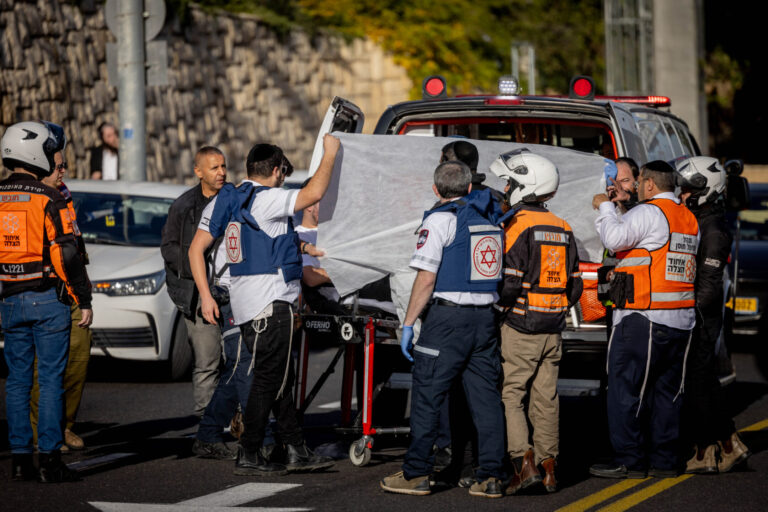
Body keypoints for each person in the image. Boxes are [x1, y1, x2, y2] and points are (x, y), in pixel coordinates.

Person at [188, 135, 340, 476]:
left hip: (246, 303)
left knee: (281, 378)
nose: (284, 177)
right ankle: (251, 450)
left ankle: (295, 447)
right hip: (272, 303)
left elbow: (196, 250)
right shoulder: (268, 197)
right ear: (275, 170)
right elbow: (313, 193)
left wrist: (208, 295)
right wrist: (329, 154)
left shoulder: (227, 198)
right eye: (283, 171)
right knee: (267, 380)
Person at [380, 160, 506, 498]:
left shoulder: (439, 220)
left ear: (436, 190)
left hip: (447, 321)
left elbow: (426, 277)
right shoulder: (491, 221)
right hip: (485, 321)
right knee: (487, 401)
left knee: (427, 396)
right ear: (469, 188)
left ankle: (416, 472)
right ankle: (491, 476)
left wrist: (408, 323)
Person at [589, 160, 700, 479]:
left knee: (626, 389)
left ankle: (630, 459)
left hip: (644, 316)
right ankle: (665, 460)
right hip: (681, 319)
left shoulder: (649, 212)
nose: (635, 186)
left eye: (638, 181)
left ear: (650, 184)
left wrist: (605, 207)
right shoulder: (688, 218)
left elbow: (614, 239)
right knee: (668, 394)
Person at [1, 121, 93, 483]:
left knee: (17, 381)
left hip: (9, 300)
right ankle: (51, 460)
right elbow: (67, 254)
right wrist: (83, 298)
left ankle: (21, 460)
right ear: (36, 153)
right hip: (47, 297)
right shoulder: (48, 198)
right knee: (51, 379)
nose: (58, 160)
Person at [489, 149, 582, 494]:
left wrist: (499, 313)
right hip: (553, 328)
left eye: (510, 182)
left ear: (525, 187)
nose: (506, 187)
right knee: (546, 399)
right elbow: (576, 285)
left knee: (512, 395)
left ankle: (522, 463)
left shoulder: (516, 225)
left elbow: (509, 284)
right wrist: (554, 306)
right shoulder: (563, 226)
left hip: (520, 325)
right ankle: (549, 469)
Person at [675, 156, 750, 473]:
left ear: (706, 190)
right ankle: (720, 446)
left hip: (702, 316)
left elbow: (708, 284)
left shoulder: (714, 229)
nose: (683, 196)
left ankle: (717, 447)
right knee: (700, 382)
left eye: (689, 190)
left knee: (698, 382)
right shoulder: (700, 218)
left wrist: (689, 312)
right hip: (698, 313)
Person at [30, 154, 92, 452]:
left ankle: (64, 426)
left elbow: (73, 244)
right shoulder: (33, 198)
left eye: (64, 163)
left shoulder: (63, 194)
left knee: (78, 359)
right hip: (45, 291)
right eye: (57, 166)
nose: (63, 169)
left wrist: (84, 291)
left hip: (73, 289)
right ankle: (40, 431)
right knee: (44, 368)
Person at [161, 146, 227, 417]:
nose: (221, 172)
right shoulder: (184, 206)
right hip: (197, 295)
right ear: (198, 172)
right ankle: (207, 425)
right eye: (214, 168)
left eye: (224, 166)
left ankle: (239, 422)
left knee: (237, 359)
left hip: (234, 291)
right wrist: (200, 278)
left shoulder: (235, 198)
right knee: (207, 360)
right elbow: (170, 249)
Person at [599, 157, 641, 329]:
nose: (617, 187)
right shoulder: (609, 210)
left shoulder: (643, 213)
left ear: (638, 182)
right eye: (613, 182)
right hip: (613, 301)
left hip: (635, 305)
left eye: (624, 181)